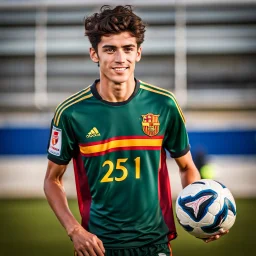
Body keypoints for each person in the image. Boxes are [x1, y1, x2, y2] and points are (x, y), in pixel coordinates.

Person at [44, 5, 228, 256]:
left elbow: (187, 167)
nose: (120, 58)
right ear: (94, 54)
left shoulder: (164, 104)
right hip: (98, 247)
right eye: (110, 49)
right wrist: (75, 230)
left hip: (155, 244)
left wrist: (202, 216)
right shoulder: (71, 112)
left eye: (128, 48)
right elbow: (52, 180)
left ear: (138, 53)